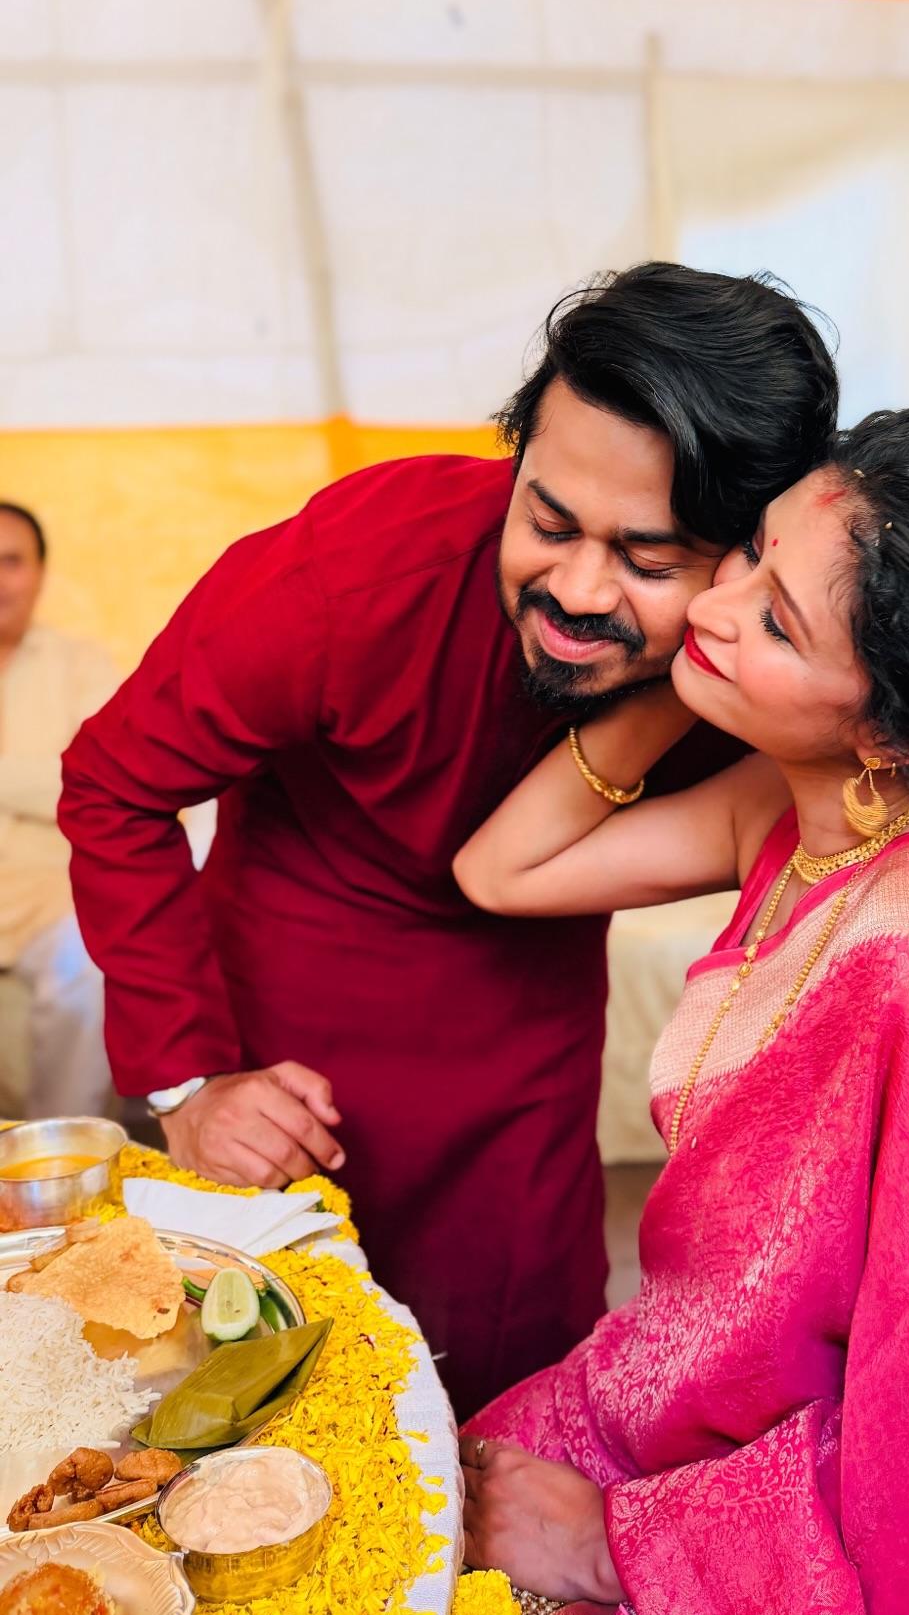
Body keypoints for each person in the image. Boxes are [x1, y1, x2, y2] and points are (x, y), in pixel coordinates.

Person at [57, 265, 837, 1419]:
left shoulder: (770, 662)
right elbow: (115, 781)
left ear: (748, 558)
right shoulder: (360, 568)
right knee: (269, 1382)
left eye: (647, 558)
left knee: (512, 1391)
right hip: (286, 1016)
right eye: (547, 521)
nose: (576, 589)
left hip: (526, 1040)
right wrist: (192, 1079)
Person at [455, 406, 909, 1615]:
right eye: (751, 550)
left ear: (901, 728)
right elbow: (500, 870)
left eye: (780, 620)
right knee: (420, 1484)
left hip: (872, 1498)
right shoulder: (812, 805)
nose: (713, 599)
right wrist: (706, 665)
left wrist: (621, 1542)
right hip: (726, 1381)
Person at [0, 503, 117, 1117]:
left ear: (40, 573)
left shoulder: (83, 666)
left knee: (87, 962)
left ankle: (60, 1150)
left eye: (11, 562)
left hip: (52, 902)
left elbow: (98, 782)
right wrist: (35, 778)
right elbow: (57, 780)